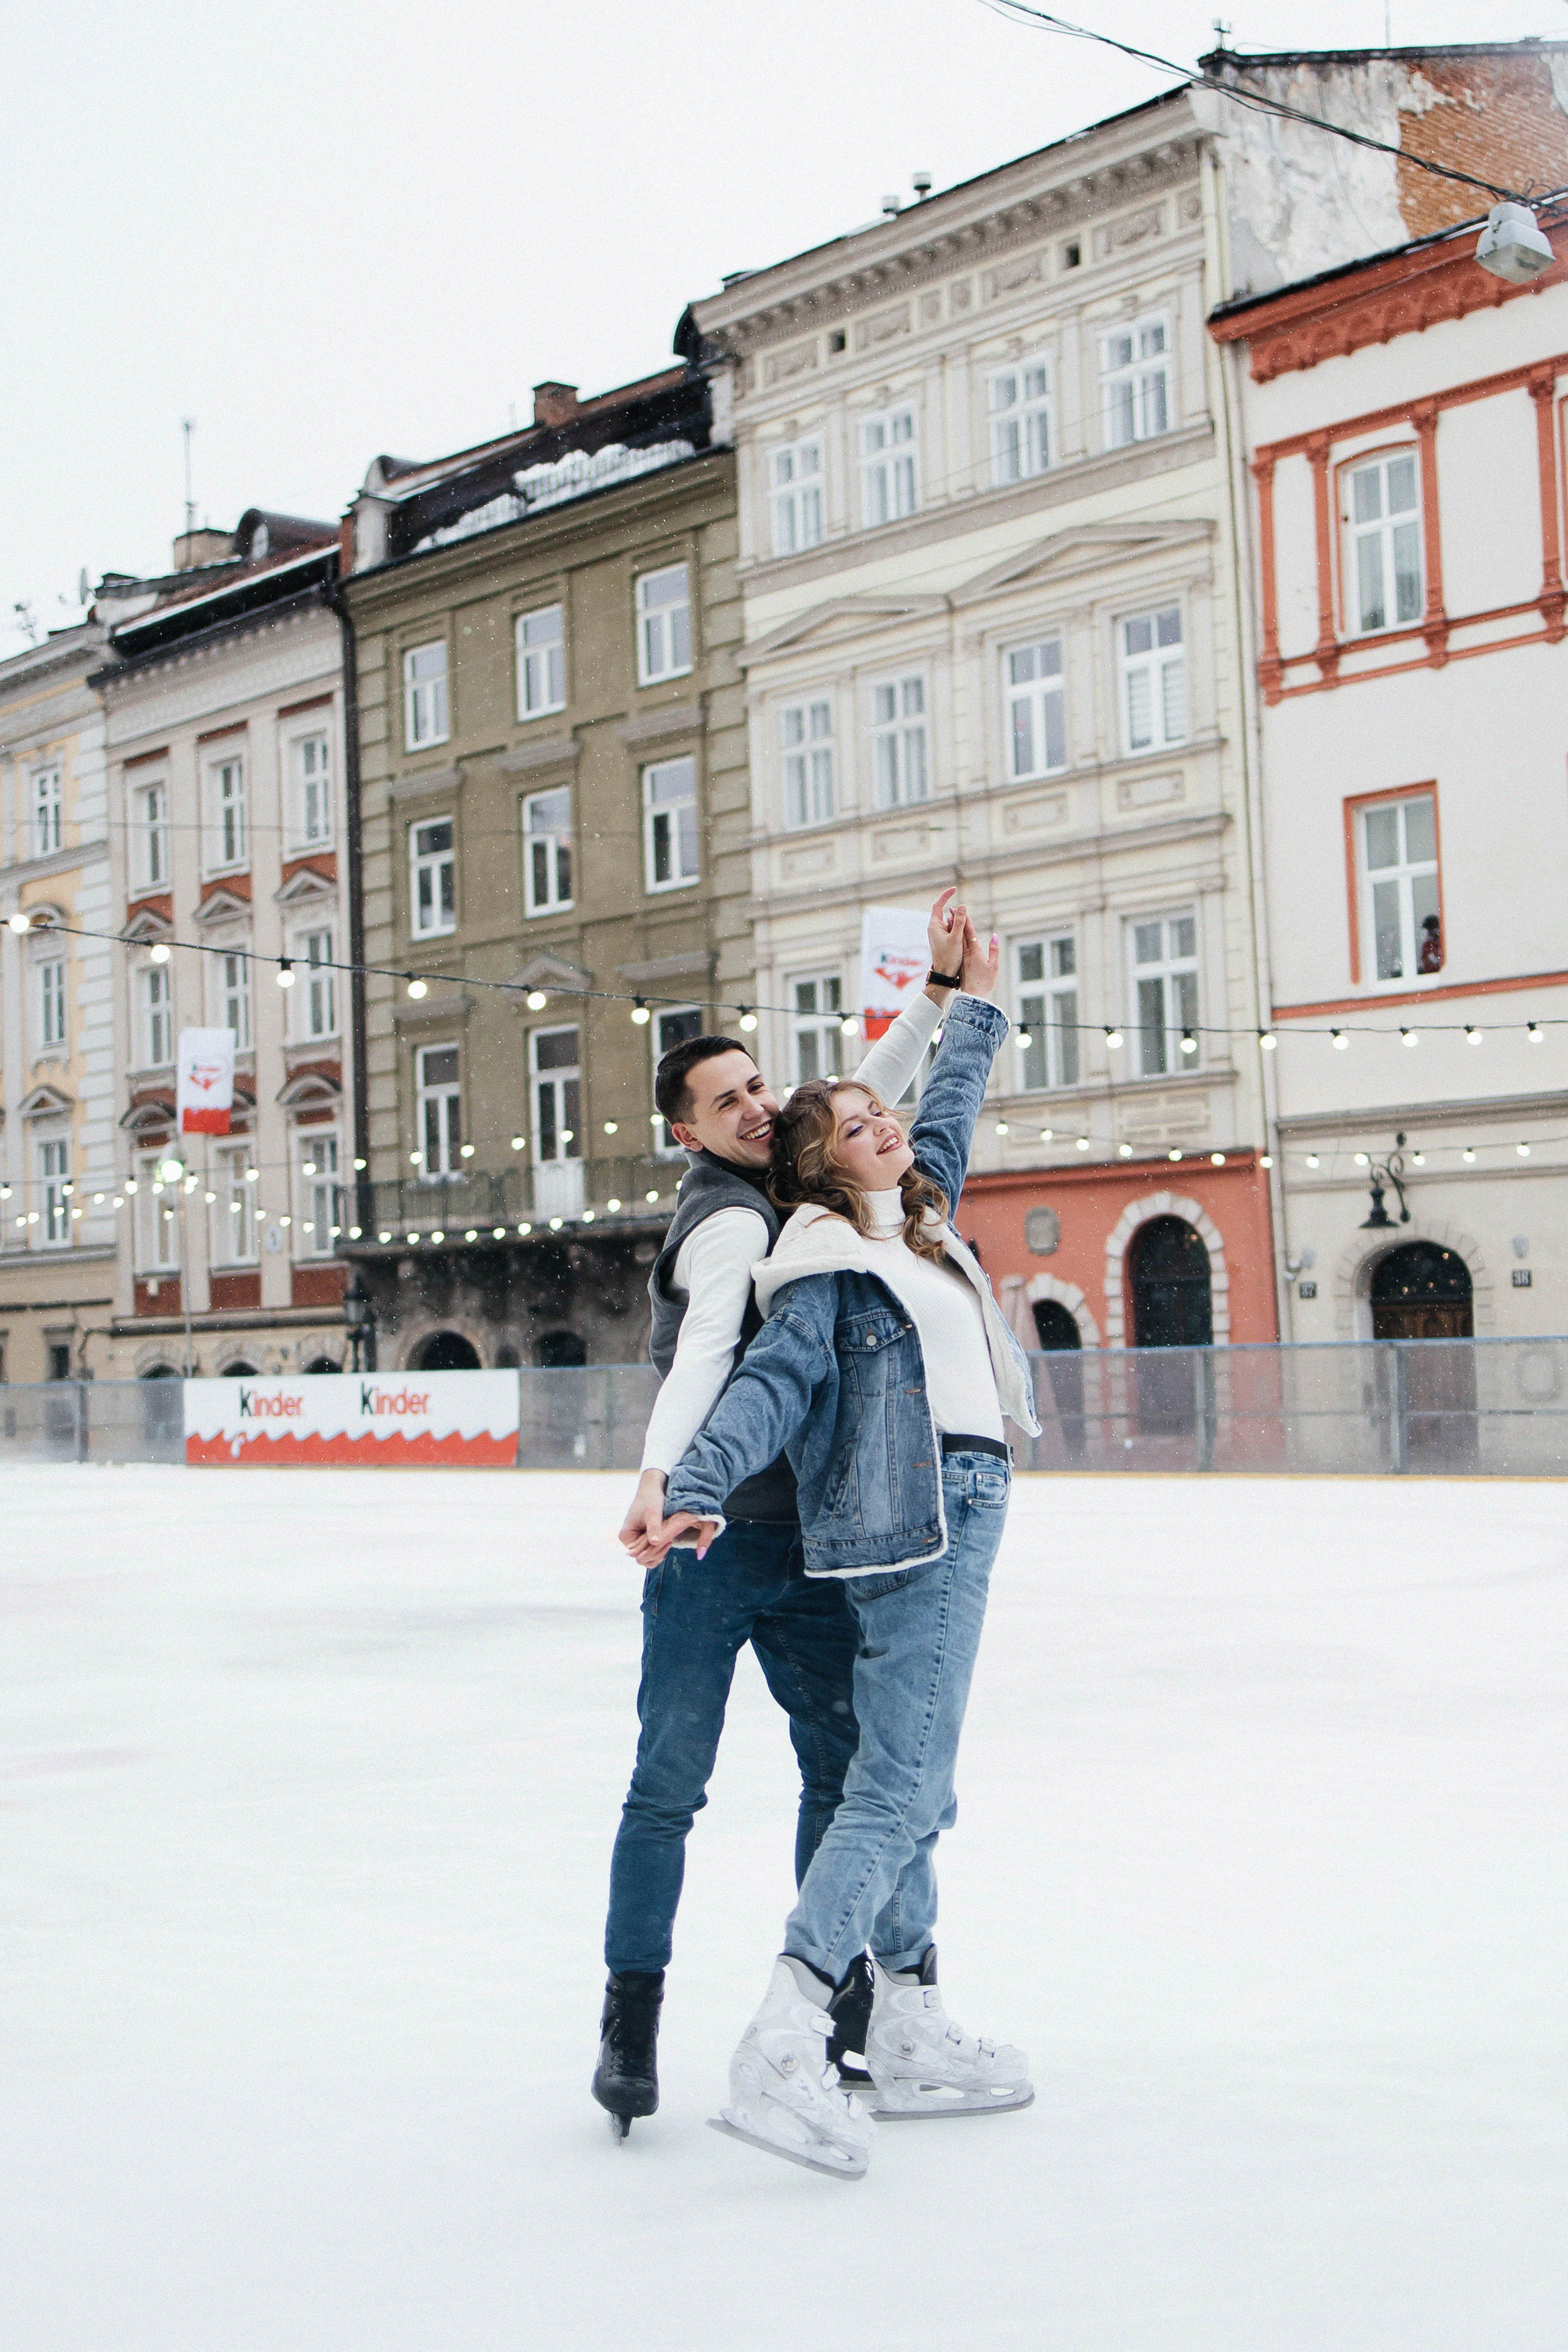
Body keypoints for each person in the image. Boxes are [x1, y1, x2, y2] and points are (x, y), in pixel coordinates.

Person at [641, 924, 1041, 2178]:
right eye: (860, 1118)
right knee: (893, 1785)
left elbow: (952, 1102)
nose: (888, 1124)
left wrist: (966, 1004)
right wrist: (692, 1480)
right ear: (818, 1160)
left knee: (915, 1776)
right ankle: (790, 2026)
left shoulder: (914, 1222)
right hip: (916, 1518)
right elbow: (762, 1382)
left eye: (887, 1113)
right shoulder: (818, 1259)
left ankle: (909, 2012)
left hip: (963, 1501)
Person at [592, 892, 968, 2138]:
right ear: (683, 1134)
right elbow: (707, 1355)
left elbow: (859, 1093)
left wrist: (931, 998)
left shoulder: (800, 1182)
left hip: (809, 1545)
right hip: (711, 1548)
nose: (755, 1107)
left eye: (756, 1088)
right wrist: (662, 1480)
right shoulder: (724, 1222)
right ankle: (629, 2023)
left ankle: (852, 2012)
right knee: (666, 1787)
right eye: (725, 1102)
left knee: (840, 1770)